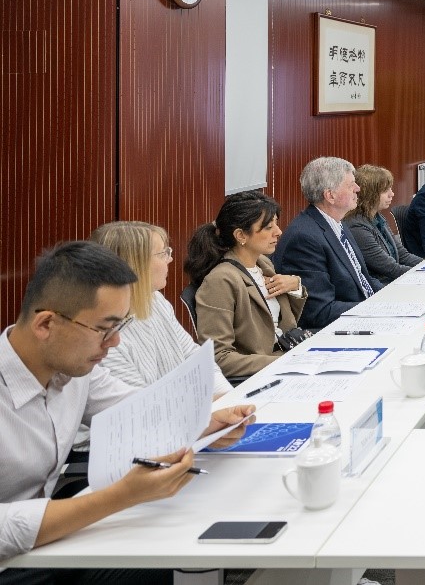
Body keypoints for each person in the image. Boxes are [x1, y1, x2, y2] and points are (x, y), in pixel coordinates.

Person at [0, 241, 252, 573]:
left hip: (43, 545)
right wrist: (121, 496)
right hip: (13, 558)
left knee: (170, 545)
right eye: (104, 329)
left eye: (119, 327)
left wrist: (206, 423)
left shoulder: (74, 373)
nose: (115, 342)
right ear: (45, 324)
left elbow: (140, 410)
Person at [89, 221, 231, 397]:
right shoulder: (105, 338)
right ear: (137, 264)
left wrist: (228, 398)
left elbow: (196, 358)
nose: (170, 259)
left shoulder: (156, 299)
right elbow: (142, 403)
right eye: (163, 253)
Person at [187, 191, 307, 379]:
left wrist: (295, 286)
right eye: (268, 227)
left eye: (276, 223)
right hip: (263, 374)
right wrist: (283, 362)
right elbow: (219, 357)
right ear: (241, 235)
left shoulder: (262, 264)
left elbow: (282, 324)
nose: (278, 232)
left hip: (288, 358)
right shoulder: (221, 280)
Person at [274, 157, 383, 330]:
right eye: (351, 185)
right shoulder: (304, 239)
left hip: (363, 315)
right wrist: (376, 309)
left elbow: (364, 279)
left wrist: (392, 297)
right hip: (337, 329)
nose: (358, 188)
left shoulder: (337, 223)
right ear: (330, 195)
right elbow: (320, 312)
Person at [345, 164, 421, 282]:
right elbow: (391, 268)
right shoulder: (356, 226)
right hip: (382, 285)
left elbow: (403, 255)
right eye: (386, 190)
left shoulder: (377, 217)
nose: (392, 194)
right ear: (370, 194)